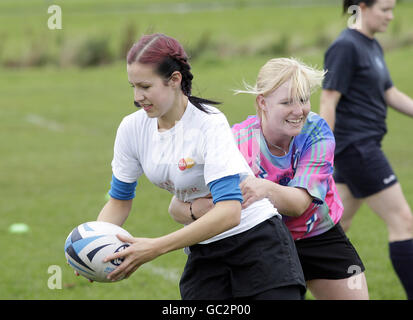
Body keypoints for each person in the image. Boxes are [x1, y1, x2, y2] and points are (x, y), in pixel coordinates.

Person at [96, 33, 306, 300]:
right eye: (133, 87)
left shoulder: (208, 124)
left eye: (146, 87)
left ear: (174, 80)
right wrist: (95, 245)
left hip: (259, 245)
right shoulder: (131, 129)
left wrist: (156, 247)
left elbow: (230, 213)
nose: (138, 97)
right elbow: (119, 201)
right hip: (204, 251)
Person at [169, 57, 369, 299]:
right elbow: (176, 207)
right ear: (262, 102)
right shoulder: (237, 141)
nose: (299, 111)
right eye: (287, 102)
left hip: (318, 235)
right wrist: (199, 209)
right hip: (263, 242)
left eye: (304, 100)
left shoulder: (316, 131)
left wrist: (262, 188)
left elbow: (299, 204)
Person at [320, 0, 413, 299]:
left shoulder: (371, 46)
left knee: (333, 228)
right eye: (385, 9)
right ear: (361, 7)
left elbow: (390, 93)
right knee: (404, 221)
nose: (391, 15)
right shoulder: (345, 46)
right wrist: (323, 153)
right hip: (356, 148)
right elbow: (328, 100)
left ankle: (287, 282)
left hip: (362, 147)